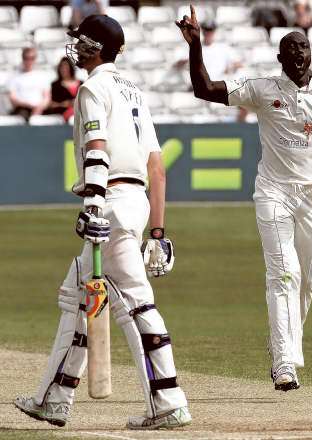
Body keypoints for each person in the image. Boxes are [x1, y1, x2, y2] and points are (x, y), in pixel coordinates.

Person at [14, 14, 191, 430]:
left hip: (109, 201)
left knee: (136, 302)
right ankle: (53, 398)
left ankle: (167, 401)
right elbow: (158, 168)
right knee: (76, 300)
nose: (75, 47)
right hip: (135, 201)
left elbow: (97, 148)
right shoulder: (135, 93)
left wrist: (93, 205)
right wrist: (159, 233)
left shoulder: (93, 88)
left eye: (81, 41)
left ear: (96, 48)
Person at [176, 6, 312, 391]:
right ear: (280, 57)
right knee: (284, 275)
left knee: (305, 280)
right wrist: (196, 47)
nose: (298, 53)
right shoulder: (263, 89)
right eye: (291, 48)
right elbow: (204, 89)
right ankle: (283, 363)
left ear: (311, 54)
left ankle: (281, 341)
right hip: (273, 192)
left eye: (304, 47)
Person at [8, 47, 50, 121]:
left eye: (32, 58)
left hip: (40, 109)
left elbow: (47, 97)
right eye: (26, 58)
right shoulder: (14, 77)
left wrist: (39, 108)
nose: (29, 61)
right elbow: (13, 98)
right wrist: (28, 105)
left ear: (35, 59)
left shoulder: (42, 76)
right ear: (23, 58)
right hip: (22, 110)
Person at [46, 57, 82, 121]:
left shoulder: (81, 83)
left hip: (79, 112)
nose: (64, 70)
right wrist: (66, 104)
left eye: (66, 67)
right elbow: (52, 104)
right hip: (63, 114)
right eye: (61, 67)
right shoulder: (56, 85)